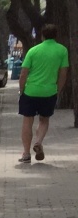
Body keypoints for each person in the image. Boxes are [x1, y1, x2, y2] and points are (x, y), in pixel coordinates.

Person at [17, 24, 70, 163]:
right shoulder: (62, 50)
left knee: (27, 121)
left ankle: (26, 154)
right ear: (56, 36)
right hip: (49, 91)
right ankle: (39, 142)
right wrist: (58, 89)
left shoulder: (33, 51)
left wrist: (21, 89)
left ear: (42, 35)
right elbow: (63, 73)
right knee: (44, 119)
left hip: (31, 91)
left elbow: (23, 73)